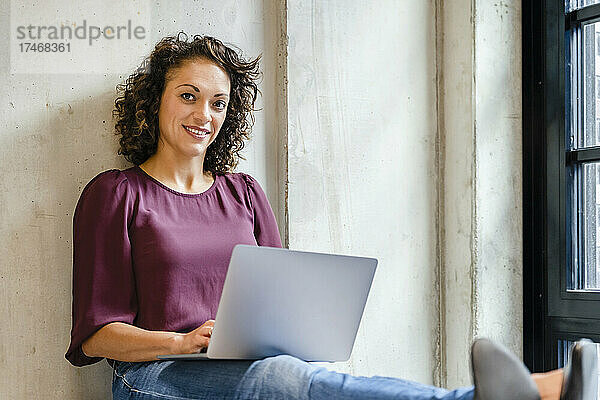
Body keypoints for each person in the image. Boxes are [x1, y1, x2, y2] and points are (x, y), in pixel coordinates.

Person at [64, 32, 597, 400]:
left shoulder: (244, 194)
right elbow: (96, 335)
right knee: (288, 381)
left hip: (243, 366)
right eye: (188, 96)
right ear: (154, 101)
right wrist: (181, 342)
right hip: (155, 378)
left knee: (300, 376)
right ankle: (520, 393)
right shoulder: (116, 195)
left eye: (219, 103)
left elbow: (276, 303)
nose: (204, 115)